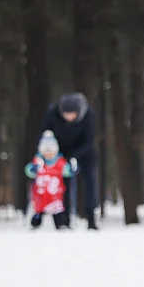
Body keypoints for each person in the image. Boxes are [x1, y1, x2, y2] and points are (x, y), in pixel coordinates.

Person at [41, 92, 99, 229]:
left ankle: (91, 218)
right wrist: (51, 154)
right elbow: (44, 134)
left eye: (71, 114)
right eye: (65, 114)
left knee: (90, 182)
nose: (68, 117)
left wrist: (74, 157)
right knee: (61, 186)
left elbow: (89, 140)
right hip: (59, 153)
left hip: (84, 152)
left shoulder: (88, 115)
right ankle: (62, 220)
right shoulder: (52, 113)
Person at [25, 131, 74, 229]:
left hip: (55, 196)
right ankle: (35, 223)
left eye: (51, 151)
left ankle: (61, 224)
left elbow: (67, 171)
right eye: (46, 151)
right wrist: (32, 169)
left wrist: (72, 169)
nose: (49, 154)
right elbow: (28, 171)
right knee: (38, 211)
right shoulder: (38, 163)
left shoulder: (59, 163)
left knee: (57, 211)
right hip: (40, 195)